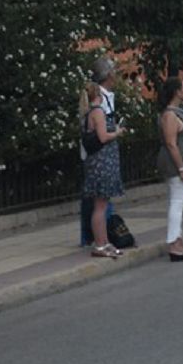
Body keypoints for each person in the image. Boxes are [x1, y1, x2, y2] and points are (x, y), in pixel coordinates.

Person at [81, 81, 126, 258]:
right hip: (102, 163)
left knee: (102, 204)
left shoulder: (87, 113)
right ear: (99, 95)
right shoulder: (98, 111)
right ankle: (100, 244)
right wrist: (117, 132)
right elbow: (103, 136)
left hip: (96, 162)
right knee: (100, 206)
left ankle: (104, 241)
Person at [157, 78, 183, 261]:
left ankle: (179, 242)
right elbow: (171, 143)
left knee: (179, 203)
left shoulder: (177, 113)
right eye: (182, 88)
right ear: (175, 91)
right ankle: (174, 244)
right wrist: (181, 168)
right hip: (177, 166)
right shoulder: (169, 115)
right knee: (177, 203)